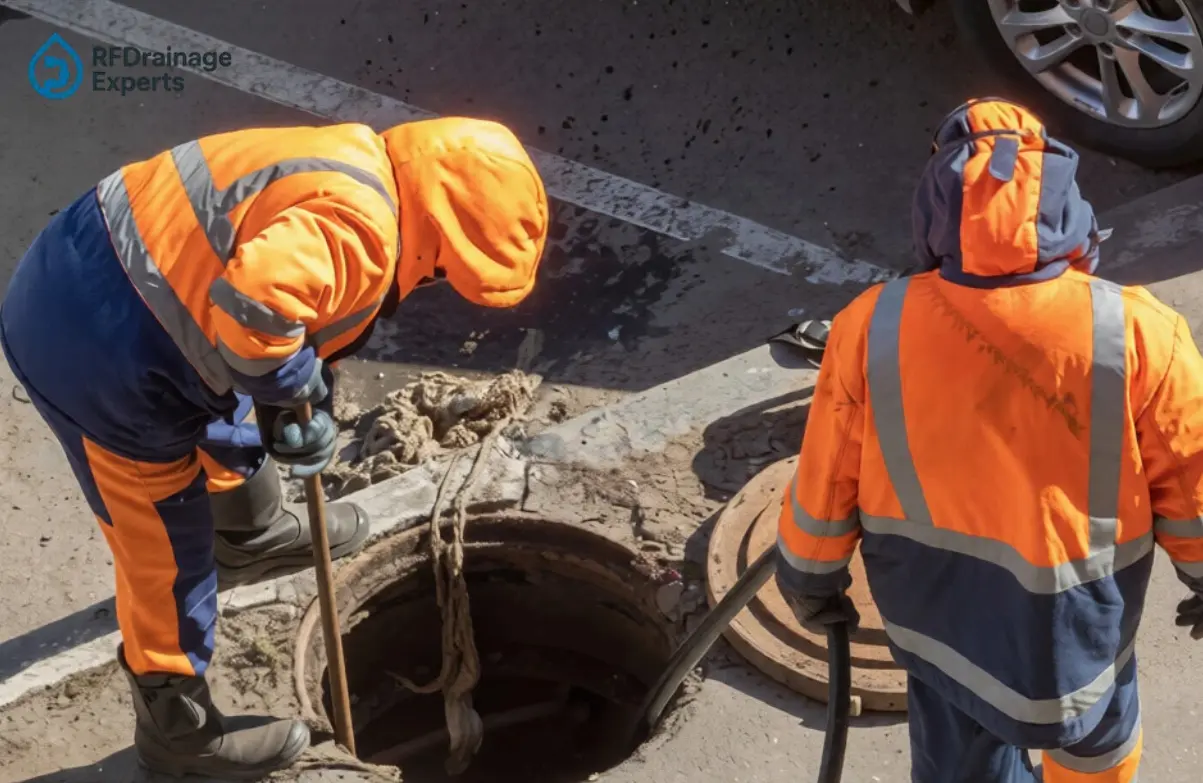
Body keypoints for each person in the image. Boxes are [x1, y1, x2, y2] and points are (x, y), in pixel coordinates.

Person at [0, 116, 549, 778]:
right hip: (99, 352)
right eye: (443, 272)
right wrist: (292, 391)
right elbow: (256, 315)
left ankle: (250, 535)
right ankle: (179, 733)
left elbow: (276, 305)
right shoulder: (365, 230)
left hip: (96, 270)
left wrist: (300, 396)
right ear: (437, 234)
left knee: (226, 404)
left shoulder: (351, 157)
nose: (433, 283)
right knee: (165, 552)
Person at [774, 97, 1203, 783]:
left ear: (934, 211)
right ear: (1068, 210)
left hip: (942, 628)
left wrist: (806, 576)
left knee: (962, 768)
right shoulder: (1135, 329)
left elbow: (826, 477)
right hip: (1079, 630)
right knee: (1098, 752)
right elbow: (1189, 475)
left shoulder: (871, 326)